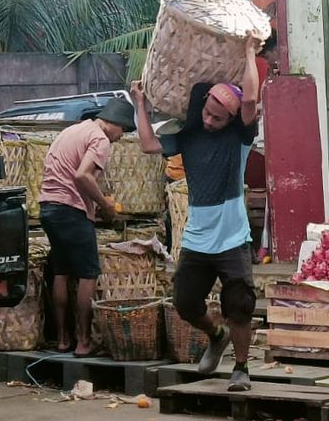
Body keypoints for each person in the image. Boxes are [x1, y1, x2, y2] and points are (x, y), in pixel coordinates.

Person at [133, 32, 262, 392]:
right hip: (198, 238)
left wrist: (250, 52)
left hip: (233, 236)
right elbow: (147, 144)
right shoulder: (188, 135)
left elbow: (249, 98)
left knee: (240, 303)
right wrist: (139, 102)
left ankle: (241, 368)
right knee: (186, 303)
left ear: (231, 120)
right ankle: (216, 335)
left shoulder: (239, 138)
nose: (209, 121)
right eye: (207, 113)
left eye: (218, 119)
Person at [37, 98, 137, 356]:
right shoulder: (100, 139)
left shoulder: (73, 130)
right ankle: (83, 341)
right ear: (115, 123)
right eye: (123, 131)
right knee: (88, 273)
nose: (120, 137)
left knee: (61, 271)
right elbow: (82, 175)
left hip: (49, 207)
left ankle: (62, 339)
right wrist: (105, 206)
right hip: (70, 209)